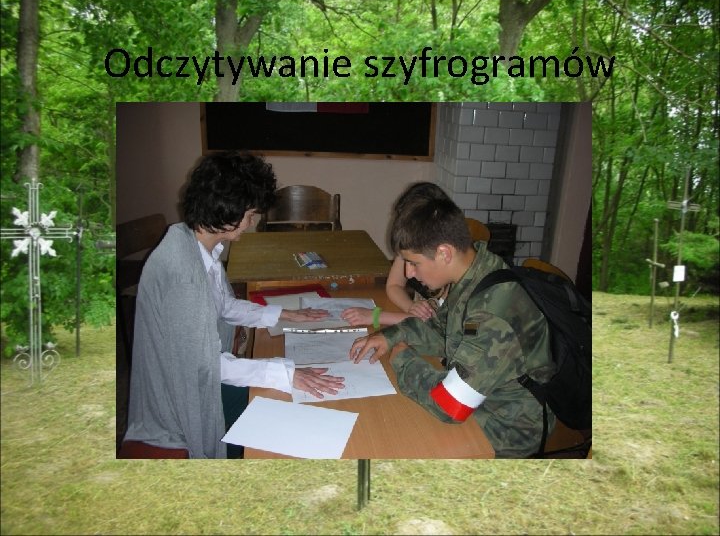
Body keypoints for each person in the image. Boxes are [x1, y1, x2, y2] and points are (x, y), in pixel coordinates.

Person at [122, 151, 344, 459]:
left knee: (285, 404)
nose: (252, 222)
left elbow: (224, 306)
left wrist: (285, 314)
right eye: (250, 214)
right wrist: (286, 374)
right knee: (284, 420)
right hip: (178, 407)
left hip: (202, 379)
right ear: (227, 208)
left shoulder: (195, 243)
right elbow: (203, 365)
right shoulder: (182, 274)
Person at [348, 195, 556, 458]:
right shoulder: (473, 272)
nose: (409, 273)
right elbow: (440, 330)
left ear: (444, 253)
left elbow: (450, 405)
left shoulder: (492, 315)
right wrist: (391, 336)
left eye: (414, 263)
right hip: (482, 400)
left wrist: (403, 359)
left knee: (397, 443)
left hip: (508, 429)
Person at [341, 182, 451, 327]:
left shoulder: (452, 266)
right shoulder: (411, 243)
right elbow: (394, 285)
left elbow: (439, 325)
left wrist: (377, 316)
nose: (409, 273)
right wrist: (411, 307)